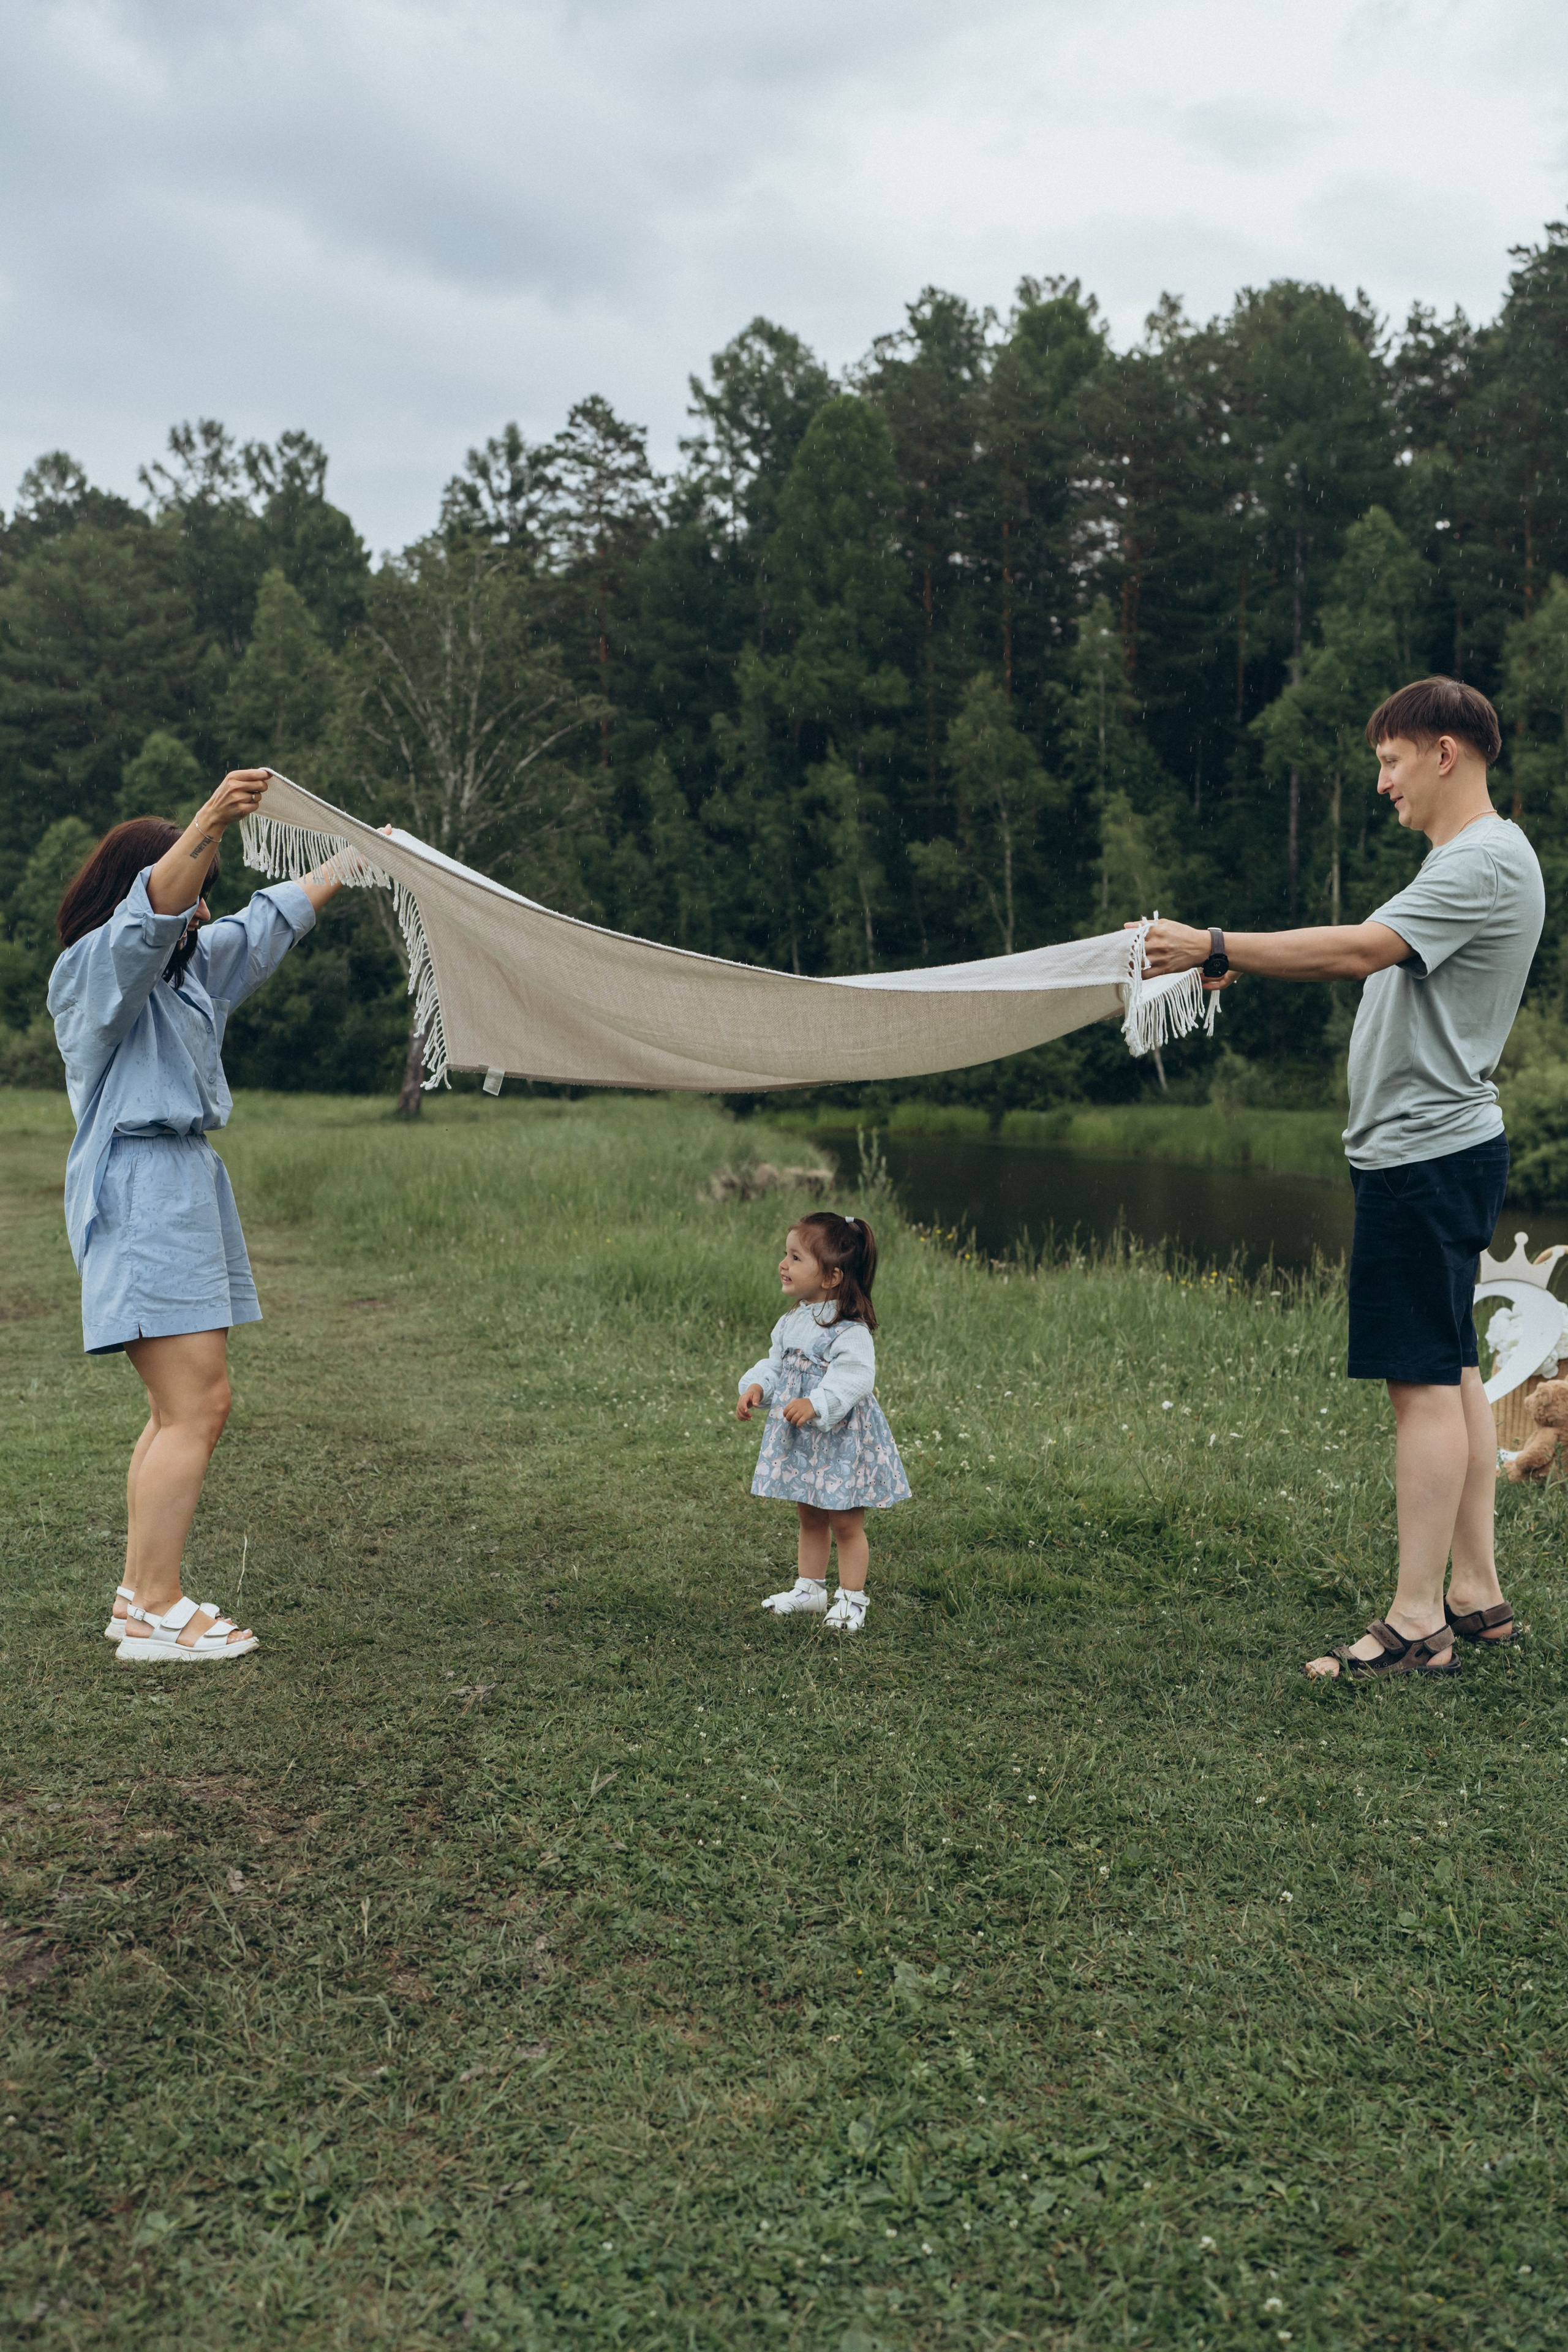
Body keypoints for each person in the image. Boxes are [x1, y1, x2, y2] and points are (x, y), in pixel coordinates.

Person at [1140, 678, 1544, 1679]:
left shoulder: (1481, 858)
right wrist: (1244, 961)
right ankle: (1475, 1596)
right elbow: (1375, 964)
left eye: (1391, 760)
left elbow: (1362, 951)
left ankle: (1414, 1625)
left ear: (1446, 752)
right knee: (1449, 1373)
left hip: (1426, 1158)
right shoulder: (1476, 861)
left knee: (1419, 1384)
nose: (1382, 782)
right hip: (1434, 1153)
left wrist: (1216, 943)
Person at [48, 770, 347, 1664]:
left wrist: (358, 859)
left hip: (179, 1183)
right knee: (197, 1406)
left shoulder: (188, 973)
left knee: (175, 1408)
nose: (206, 905)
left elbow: (268, 921)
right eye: (194, 881)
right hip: (140, 1186)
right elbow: (150, 918)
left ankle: (138, 1602)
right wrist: (212, 819)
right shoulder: (99, 968)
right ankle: (160, 1606)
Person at [736, 1212, 910, 1634]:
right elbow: (776, 1364)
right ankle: (810, 1588)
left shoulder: (849, 1330)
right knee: (809, 1512)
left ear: (831, 1276)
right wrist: (759, 1384)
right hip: (805, 1441)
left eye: (796, 1257)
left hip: (841, 1440)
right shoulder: (793, 1320)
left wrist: (816, 1403)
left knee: (846, 1521)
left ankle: (852, 1599)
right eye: (786, 1254)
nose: (784, 1264)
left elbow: (855, 1379)